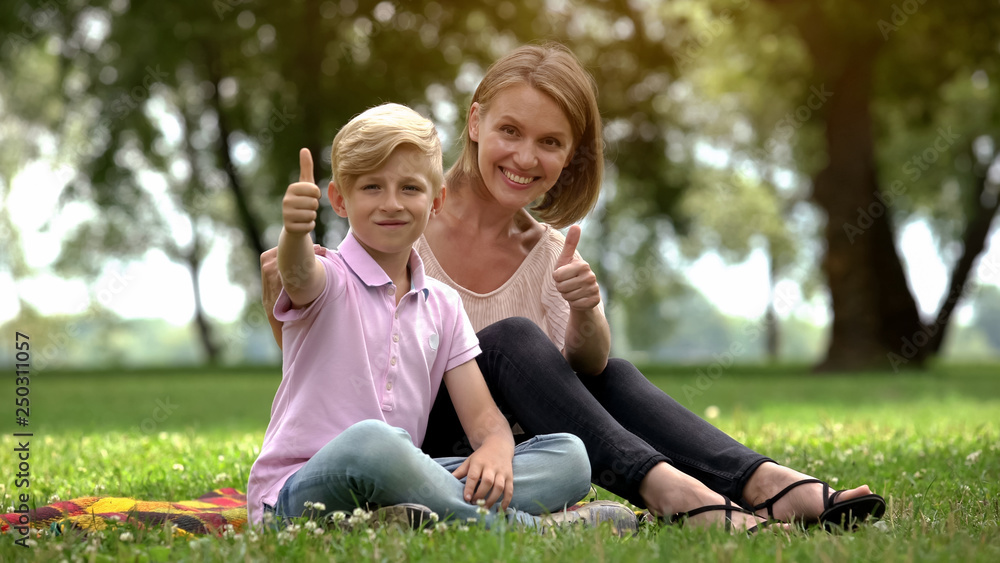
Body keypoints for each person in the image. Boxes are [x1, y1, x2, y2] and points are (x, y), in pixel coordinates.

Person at [261, 44, 885, 533]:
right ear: (475, 122)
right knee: (508, 341)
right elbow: (312, 337)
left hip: (493, 449)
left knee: (606, 373)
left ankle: (762, 480)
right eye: (510, 131)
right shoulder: (396, 221)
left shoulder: (548, 252)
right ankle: (675, 493)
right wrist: (290, 261)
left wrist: (585, 310)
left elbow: (586, 370)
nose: (524, 156)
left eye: (550, 143)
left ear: (570, 155)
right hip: (396, 437)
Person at [247, 103, 625, 532]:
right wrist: (295, 232)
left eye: (410, 188)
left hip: (403, 477)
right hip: (299, 491)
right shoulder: (329, 277)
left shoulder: (443, 305)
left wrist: (497, 449)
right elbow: (297, 275)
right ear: (339, 199)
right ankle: (530, 530)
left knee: (570, 456)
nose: (392, 203)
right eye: (372, 187)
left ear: (437, 200)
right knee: (375, 443)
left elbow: (483, 417)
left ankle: (408, 516)